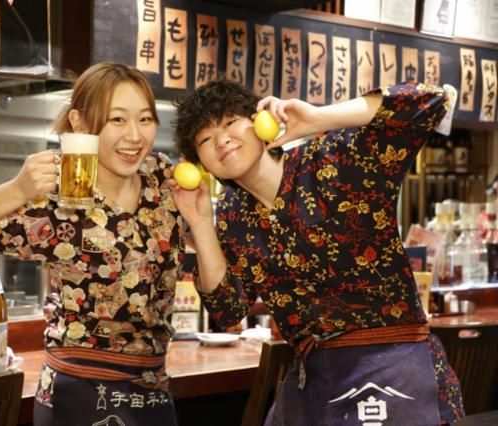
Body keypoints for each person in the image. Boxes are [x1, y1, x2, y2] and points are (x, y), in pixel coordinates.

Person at [170, 80, 464, 425]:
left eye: (231, 122)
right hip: (314, 377)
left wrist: (320, 118)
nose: (221, 140)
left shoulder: (333, 158)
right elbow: (228, 308)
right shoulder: (233, 214)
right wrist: (201, 223)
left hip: (392, 363)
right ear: (201, 165)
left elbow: (430, 102)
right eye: (205, 139)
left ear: (261, 121)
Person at [0, 62, 185, 426]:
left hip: (153, 388)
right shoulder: (57, 194)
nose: (135, 135)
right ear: (79, 123)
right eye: (117, 119)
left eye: (145, 119)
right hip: (78, 389)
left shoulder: (162, 181)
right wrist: (17, 189)